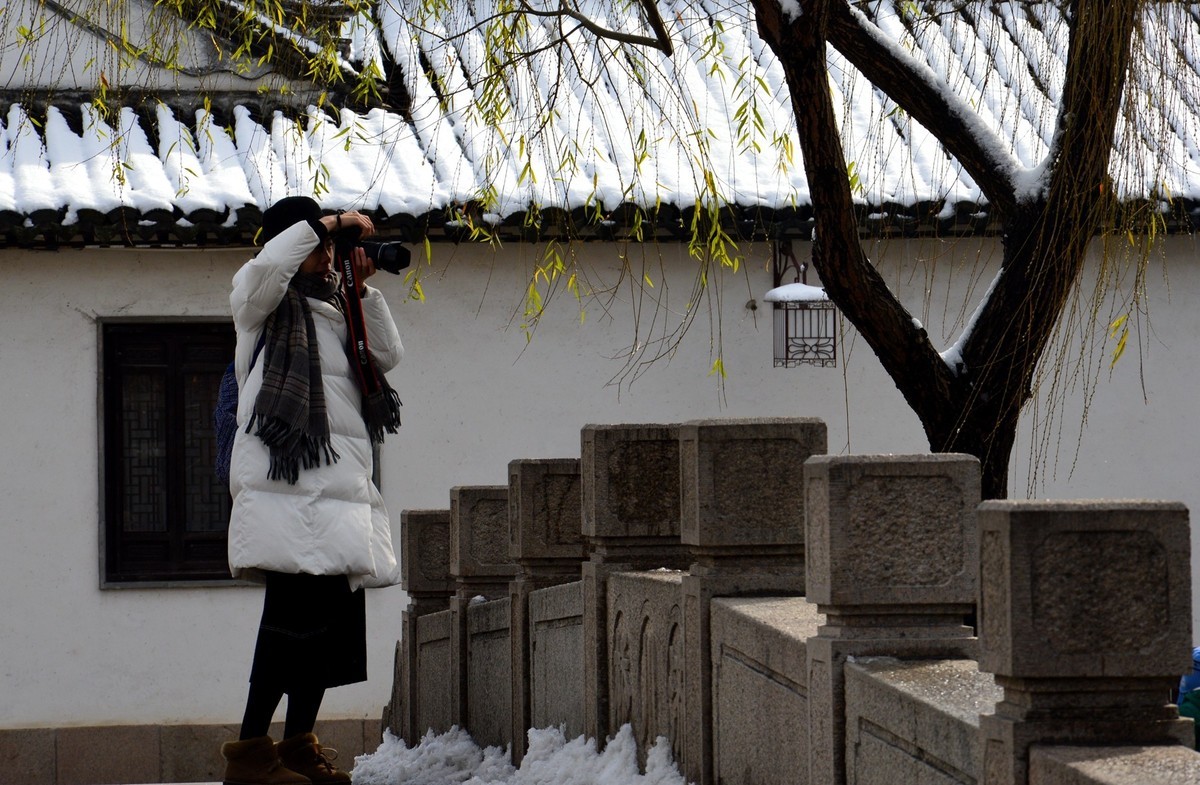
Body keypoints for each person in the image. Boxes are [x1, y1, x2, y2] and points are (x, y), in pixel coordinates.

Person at [219, 196, 404, 785]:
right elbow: (270, 266)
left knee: (328, 630)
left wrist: (364, 289)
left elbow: (387, 356)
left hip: (341, 487)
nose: (329, 255)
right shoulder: (260, 302)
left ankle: (298, 745)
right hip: (285, 488)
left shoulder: (337, 309)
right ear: (292, 242)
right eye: (321, 246)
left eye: (332, 249)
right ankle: (250, 754)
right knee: (287, 625)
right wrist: (330, 224)